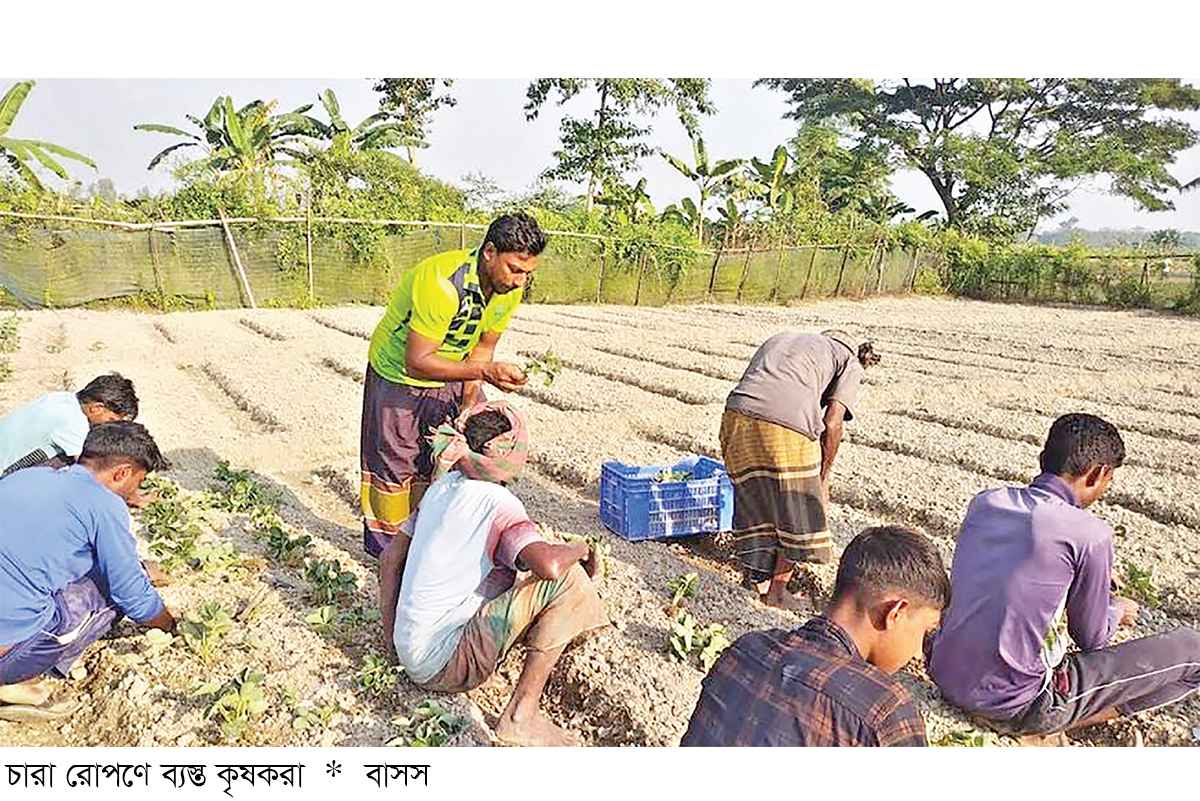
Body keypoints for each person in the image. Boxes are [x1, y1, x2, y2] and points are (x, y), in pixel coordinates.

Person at [927, 413, 1200, 745]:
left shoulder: (986, 502)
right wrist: (1116, 610)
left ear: (1044, 460)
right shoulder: (1090, 534)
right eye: (1108, 481)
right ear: (1098, 474)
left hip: (943, 672)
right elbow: (1091, 637)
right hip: (1018, 703)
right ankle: (1049, 724)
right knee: (1194, 650)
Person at [378, 401, 608, 746]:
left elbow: (390, 560)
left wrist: (393, 642)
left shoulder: (442, 486)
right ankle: (521, 717)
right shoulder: (498, 503)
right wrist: (582, 549)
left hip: (412, 651)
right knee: (568, 580)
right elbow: (549, 566)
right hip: (443, 664)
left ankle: (477, 662)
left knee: (508, 573)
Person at [360, 213, 547, 558]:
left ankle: (439, 538)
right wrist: (487, 372)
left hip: (454, 366)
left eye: (528, 273)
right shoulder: (443, 283)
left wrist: (467, 407)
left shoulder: (507, 291)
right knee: (398, 462)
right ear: (489, 252)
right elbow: (416, 361)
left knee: (473, 443)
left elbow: (483, 349)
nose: (521, 281)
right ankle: (391, 554)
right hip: (399, 374)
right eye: (515, 269)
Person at [681, 525, 949, 746]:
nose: (917, 652)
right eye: (924, 633)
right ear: (896, 612)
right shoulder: (885, 711)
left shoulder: (744, 652)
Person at [0, 421, 176, 722]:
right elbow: (131, 594)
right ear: (122, 472)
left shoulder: (29, 476)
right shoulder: (104, 504)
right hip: (10, 655)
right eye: (139, 480)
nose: (135, 491)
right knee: (107, 592)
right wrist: (170, 627)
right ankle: (22, 683)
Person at [720, 329, 881, 610]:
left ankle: (756, 581)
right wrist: (824, 476)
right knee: (798, 511)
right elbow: (832, 423)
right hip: (786, 425)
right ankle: (778, 593)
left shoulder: (784, 339)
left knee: (754, 501)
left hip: (735, 415)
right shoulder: (848, 360)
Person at [0, 372, 138, 476]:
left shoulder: (63, 398)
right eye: (111, 420)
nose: (110, 426)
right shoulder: (73, 422)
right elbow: (91, 471)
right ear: (96, 408)